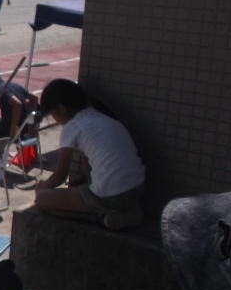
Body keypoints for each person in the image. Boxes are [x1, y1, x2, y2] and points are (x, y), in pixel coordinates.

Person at [33, 79, 146, 230]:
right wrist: (86, 178)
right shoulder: (104, 118)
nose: (56, 120)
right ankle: (127, 213)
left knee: (42, 200)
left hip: (108, 196)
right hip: (137, 189)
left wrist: (42, 187)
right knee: (81, 192)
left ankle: (101, 217)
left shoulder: (72, 127)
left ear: (62, 109)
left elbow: (60, 176)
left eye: (53, 115)